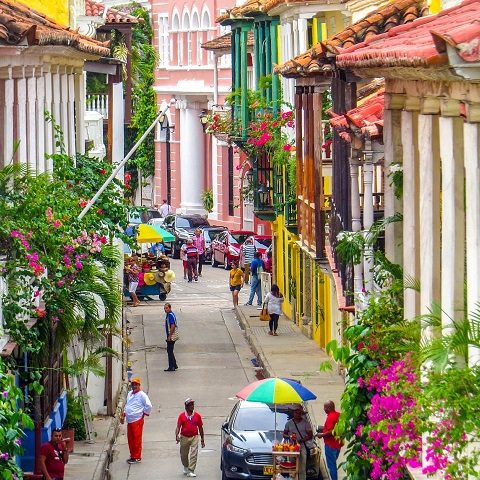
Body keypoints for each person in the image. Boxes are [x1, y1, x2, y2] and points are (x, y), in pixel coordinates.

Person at [120, 378, 152, 464]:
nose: (134, 386)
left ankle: (137, 457)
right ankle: (132, 455)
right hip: (130, 420)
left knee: (136, 439)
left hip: (137, 420)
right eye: (133, 384)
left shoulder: (142, 395)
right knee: (130, 439)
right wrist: (124, 413)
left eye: (136, 384)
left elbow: (148, 406)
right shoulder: (130, 393)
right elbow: (127, 404)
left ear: (139, 385)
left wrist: (143, 413)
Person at [175, 398, 205, 478]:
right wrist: (176, 435)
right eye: (190, 405)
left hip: (194, 436)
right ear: (186, 407)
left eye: (192, 404)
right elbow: (178, 427)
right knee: (184, 455)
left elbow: (200, 428)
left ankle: (191, 470)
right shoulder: (181, 416)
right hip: (184, 437)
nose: (192, 406)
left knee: (194, 453)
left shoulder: (197, 416)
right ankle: (185, 466)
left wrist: (202, 439)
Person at [283, 405, 313, 480]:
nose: (297, 414)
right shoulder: (288, 423)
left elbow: (310, 435)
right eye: (296, 412)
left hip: (302, 447)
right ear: (293, 413)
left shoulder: (306, 423)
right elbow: (284, 434)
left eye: (299, 413)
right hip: (291, 448)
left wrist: (301, 440)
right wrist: (289, 437)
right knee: (291, 467)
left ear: (301, 413)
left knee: (302, 468)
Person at [316, 401, 342, 480]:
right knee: (333, 463)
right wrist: (323, 429)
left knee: (331, 466)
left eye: (325, 407)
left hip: (330, 445)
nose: (324, 409)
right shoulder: (338, 415)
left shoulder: (330, 417)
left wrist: (322, 435)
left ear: (329, 408)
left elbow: (331, 431)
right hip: (338, 444)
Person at [164, 303, 178, 371]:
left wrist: (169, 336)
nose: (165, 309)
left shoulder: (170, 315)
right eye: (164, 308)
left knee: (169, 350)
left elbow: (172, 326)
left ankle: (171, 366)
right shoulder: (169, 314)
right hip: (170, 335)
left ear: (170, 308)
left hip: (171, 336)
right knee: (170, 350)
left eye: (166, 308)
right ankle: (174, 365)